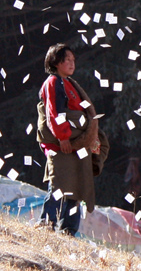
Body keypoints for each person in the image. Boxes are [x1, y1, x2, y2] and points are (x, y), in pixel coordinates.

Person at [36, 43, 102, 235]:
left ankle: (69, 230)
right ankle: (46, 224)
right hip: (61, 144)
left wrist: (90, 135)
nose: (72, 63)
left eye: (73, 59)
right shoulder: (53, 82)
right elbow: (54, 112)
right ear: (56, 62)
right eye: (67, 60)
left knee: (77, 185)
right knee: (60, 183)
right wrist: (63, 137)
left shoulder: (71, 84)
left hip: (77, 145)